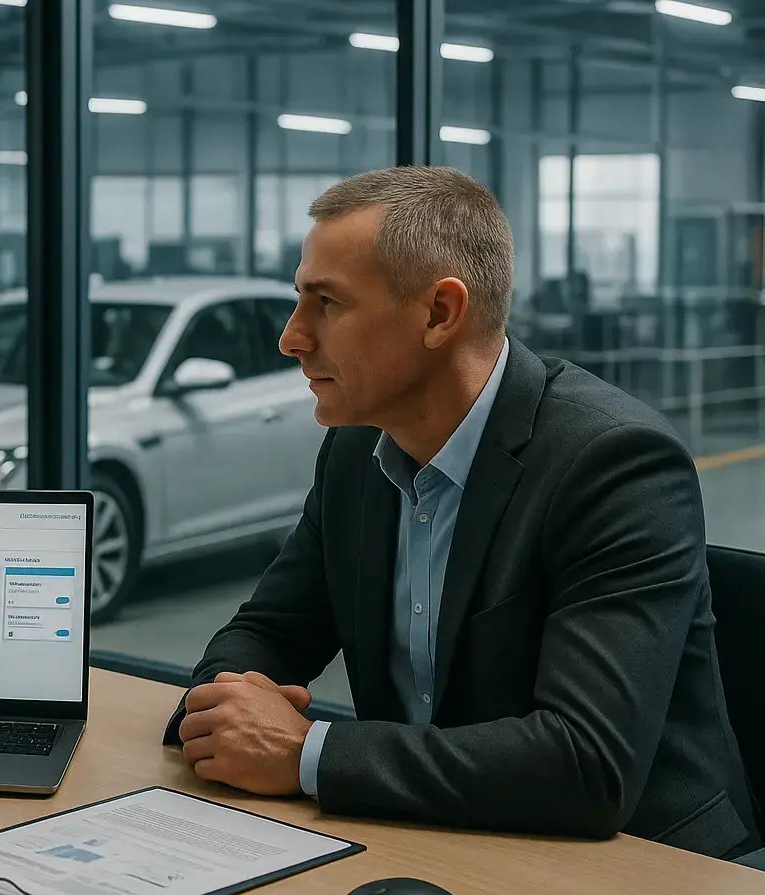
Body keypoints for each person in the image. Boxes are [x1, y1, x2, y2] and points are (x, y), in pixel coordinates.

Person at [164, 165, 756, 857]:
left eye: (326, 303)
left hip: (642, 873)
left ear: (441, 313)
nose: (292, 338)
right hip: (438, 837)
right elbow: (267, 630)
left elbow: (586, 762)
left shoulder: (613, 464)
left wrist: (307, 751)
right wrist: (227, 711)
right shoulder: (357, 453)